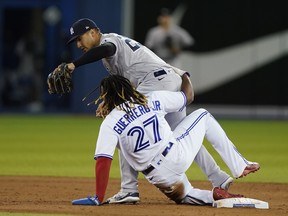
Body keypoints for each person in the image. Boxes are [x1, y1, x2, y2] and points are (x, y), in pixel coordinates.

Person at [60, 18, 233, 204]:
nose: (78, 44)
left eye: (80, 38)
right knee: (179, 133)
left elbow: (107, 49)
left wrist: (72, 65)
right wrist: (109, 101)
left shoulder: (108, 42)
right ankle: (218, 177)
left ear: (93, 32)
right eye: (75, 41)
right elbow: (123, 87)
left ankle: (129, 189)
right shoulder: (109, 53)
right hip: (167, 80)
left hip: (155, 82)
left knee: (122, 126)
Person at [71, 74, 260, 206]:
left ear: (106, 98)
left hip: (159, 177)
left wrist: (98, 196)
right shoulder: (150, 99)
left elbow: (103, 161)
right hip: (176, 155)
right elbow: (188, 96)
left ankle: (213, 197)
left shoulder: (109, 123)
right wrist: (184, 76)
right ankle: (238, 166)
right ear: (129, 88)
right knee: (203, 115)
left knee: (183, 195)